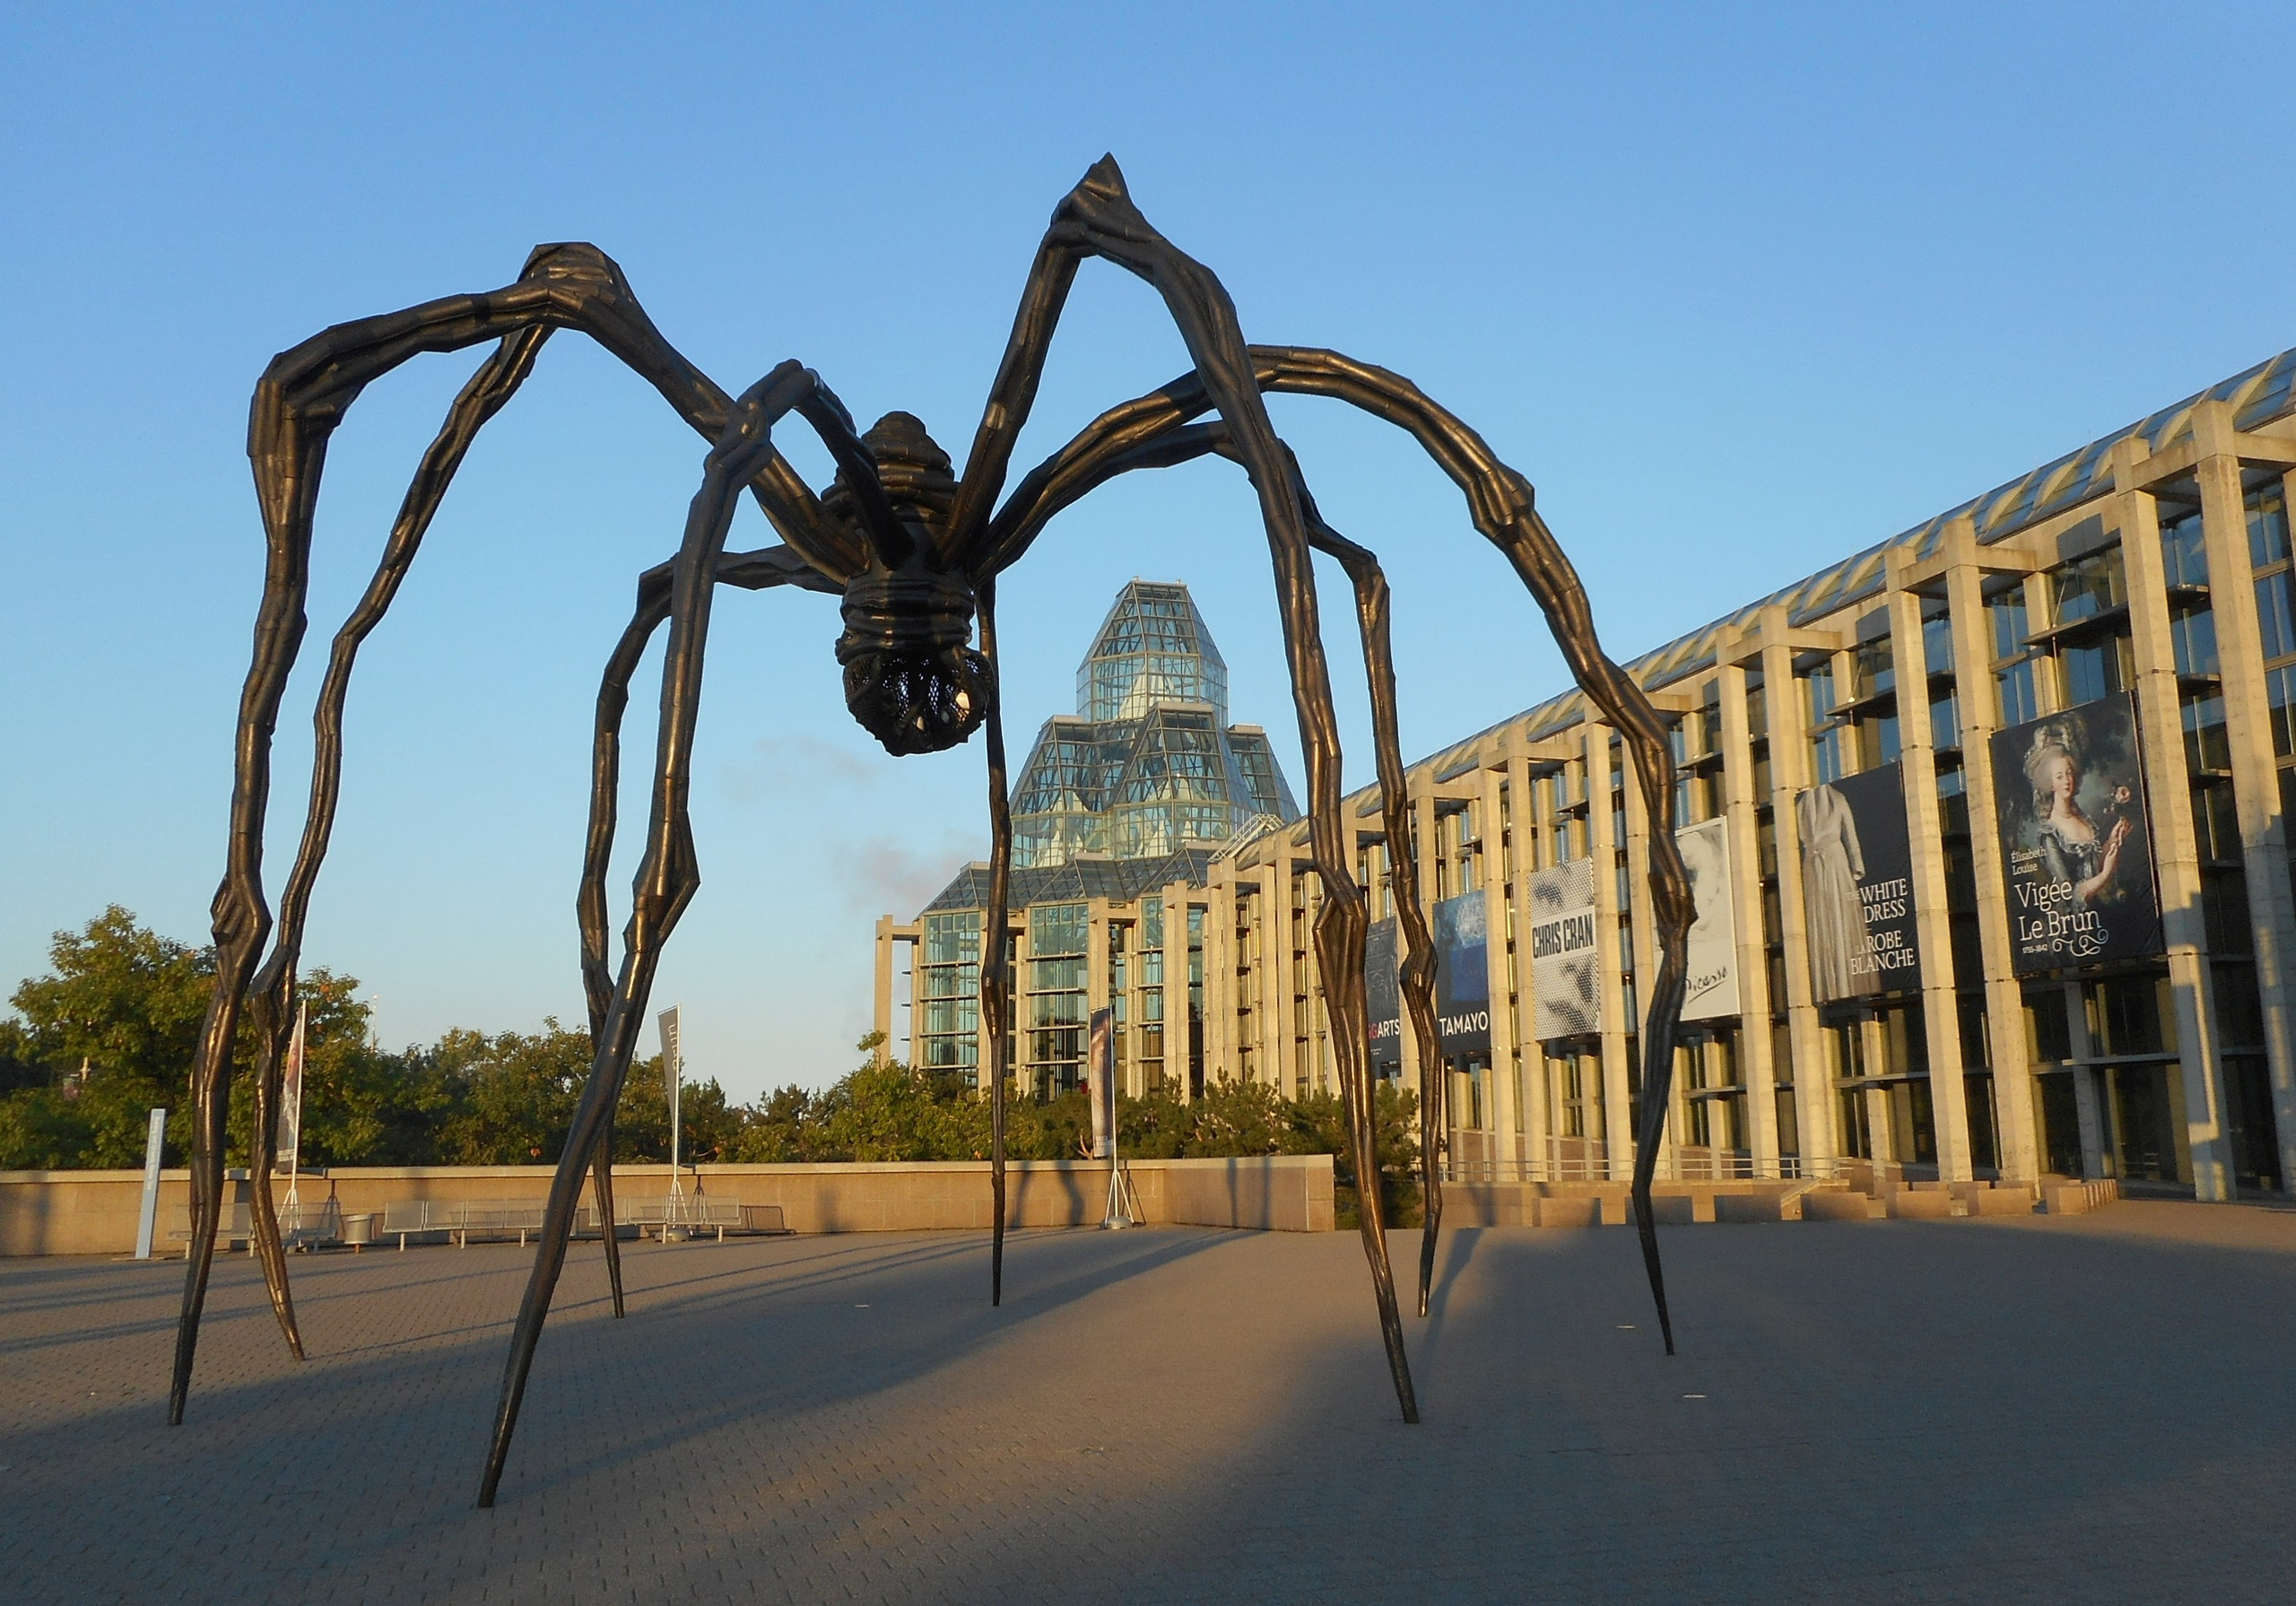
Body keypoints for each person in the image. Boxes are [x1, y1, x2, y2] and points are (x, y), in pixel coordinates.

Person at [2022, 722, 2132, 907]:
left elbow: (2095, 866)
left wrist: (2113, 841)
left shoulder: (2083, 819)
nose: (2066, 781)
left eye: (2069, 774)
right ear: (2050, 783)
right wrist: (2105, 874)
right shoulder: (2049, 834)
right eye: (2059, 777)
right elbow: (2069, 895)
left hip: (2104, 912)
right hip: (2080, 925)